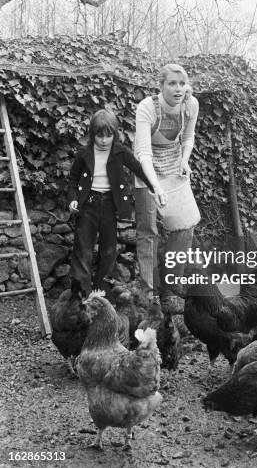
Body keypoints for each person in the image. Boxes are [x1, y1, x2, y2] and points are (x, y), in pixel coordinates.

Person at [67, 109, 160, 296]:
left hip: (109, 205)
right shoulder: (84, 153)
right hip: (88, 205)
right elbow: (73, 179)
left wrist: (155, 187)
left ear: (114, 135)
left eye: (108, 136)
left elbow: (139, 169)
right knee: (83, 250)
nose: (103, 140)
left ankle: (101, 293)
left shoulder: (120, 152)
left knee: (109, 252)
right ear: (92, 134)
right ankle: (81, 295)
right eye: (99, 136)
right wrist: (73, 199)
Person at [134, 63, 199, 306]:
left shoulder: (191, 105)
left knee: (185, 226)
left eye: (182, 83)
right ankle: (149, 295)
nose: (178, 88)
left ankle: (170, 290)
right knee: (148, 232)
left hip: (173, 164)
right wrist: (156, 187)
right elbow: (142, 152)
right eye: (172, 83)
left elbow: (188, 137)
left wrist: (184, 160)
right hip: (147, 170)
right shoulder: (147, 108)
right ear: (161, 85)